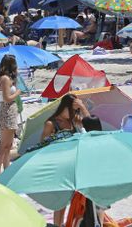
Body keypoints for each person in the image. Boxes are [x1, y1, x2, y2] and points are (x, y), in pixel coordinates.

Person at [40, 94, 90, 227]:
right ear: (65, 107)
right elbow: (42, 146)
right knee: (60, 200)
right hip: (57, 165)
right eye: (72, 109)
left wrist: (82, 107)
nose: (74, 112)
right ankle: (58, 224)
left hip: (73, 164)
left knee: (73, 199)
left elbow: (91, 123)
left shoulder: (74, 121)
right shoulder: (51, 123)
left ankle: (64, 224)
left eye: (76, 110)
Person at [0, 55, 21, 177]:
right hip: (6, 111)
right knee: (4, 145)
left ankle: (6, 170)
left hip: (9, 112)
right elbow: (6, 98)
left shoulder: (6, 78)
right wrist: (17, 93)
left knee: (8, 145)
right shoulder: (5, 79)